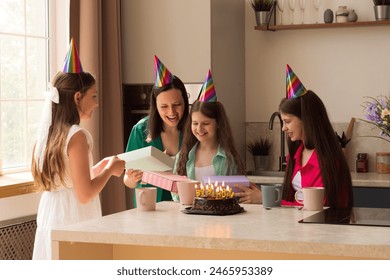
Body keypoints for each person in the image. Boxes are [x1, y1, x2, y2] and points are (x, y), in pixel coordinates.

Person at [31, 39, 125, 260]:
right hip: (73, 215)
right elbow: (85, 194)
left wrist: (97, 168)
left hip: (52, 212)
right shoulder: (77, 136)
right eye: (94, 96)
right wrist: (110, 169)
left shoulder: (50, 133)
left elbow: (68, 179)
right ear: (77, 97)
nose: (97, 103)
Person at [174, 70, 256, 201]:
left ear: (218, 123)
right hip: (189, 219)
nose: (199, 128)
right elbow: (176, 195)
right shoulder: (183, 156)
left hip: (220, 219)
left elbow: (236, 196)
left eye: (206, 123)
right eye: (195, 123)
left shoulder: (228, 158)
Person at [280, 64, 353, 208]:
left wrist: (273, 201)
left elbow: (317, 209)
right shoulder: (295, 155)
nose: (283, 128)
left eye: (287, 121)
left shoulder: (328, 161)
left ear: (305, 119)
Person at [123, 55, 189, 203]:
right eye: (164, 107)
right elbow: (127, 181)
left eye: (177, 104)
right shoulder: (140, 130)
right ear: (155, 107)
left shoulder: (194, 129)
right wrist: (132, 177)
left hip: (186, 207)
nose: (171, 112)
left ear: (185, 101)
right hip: (150, 208)